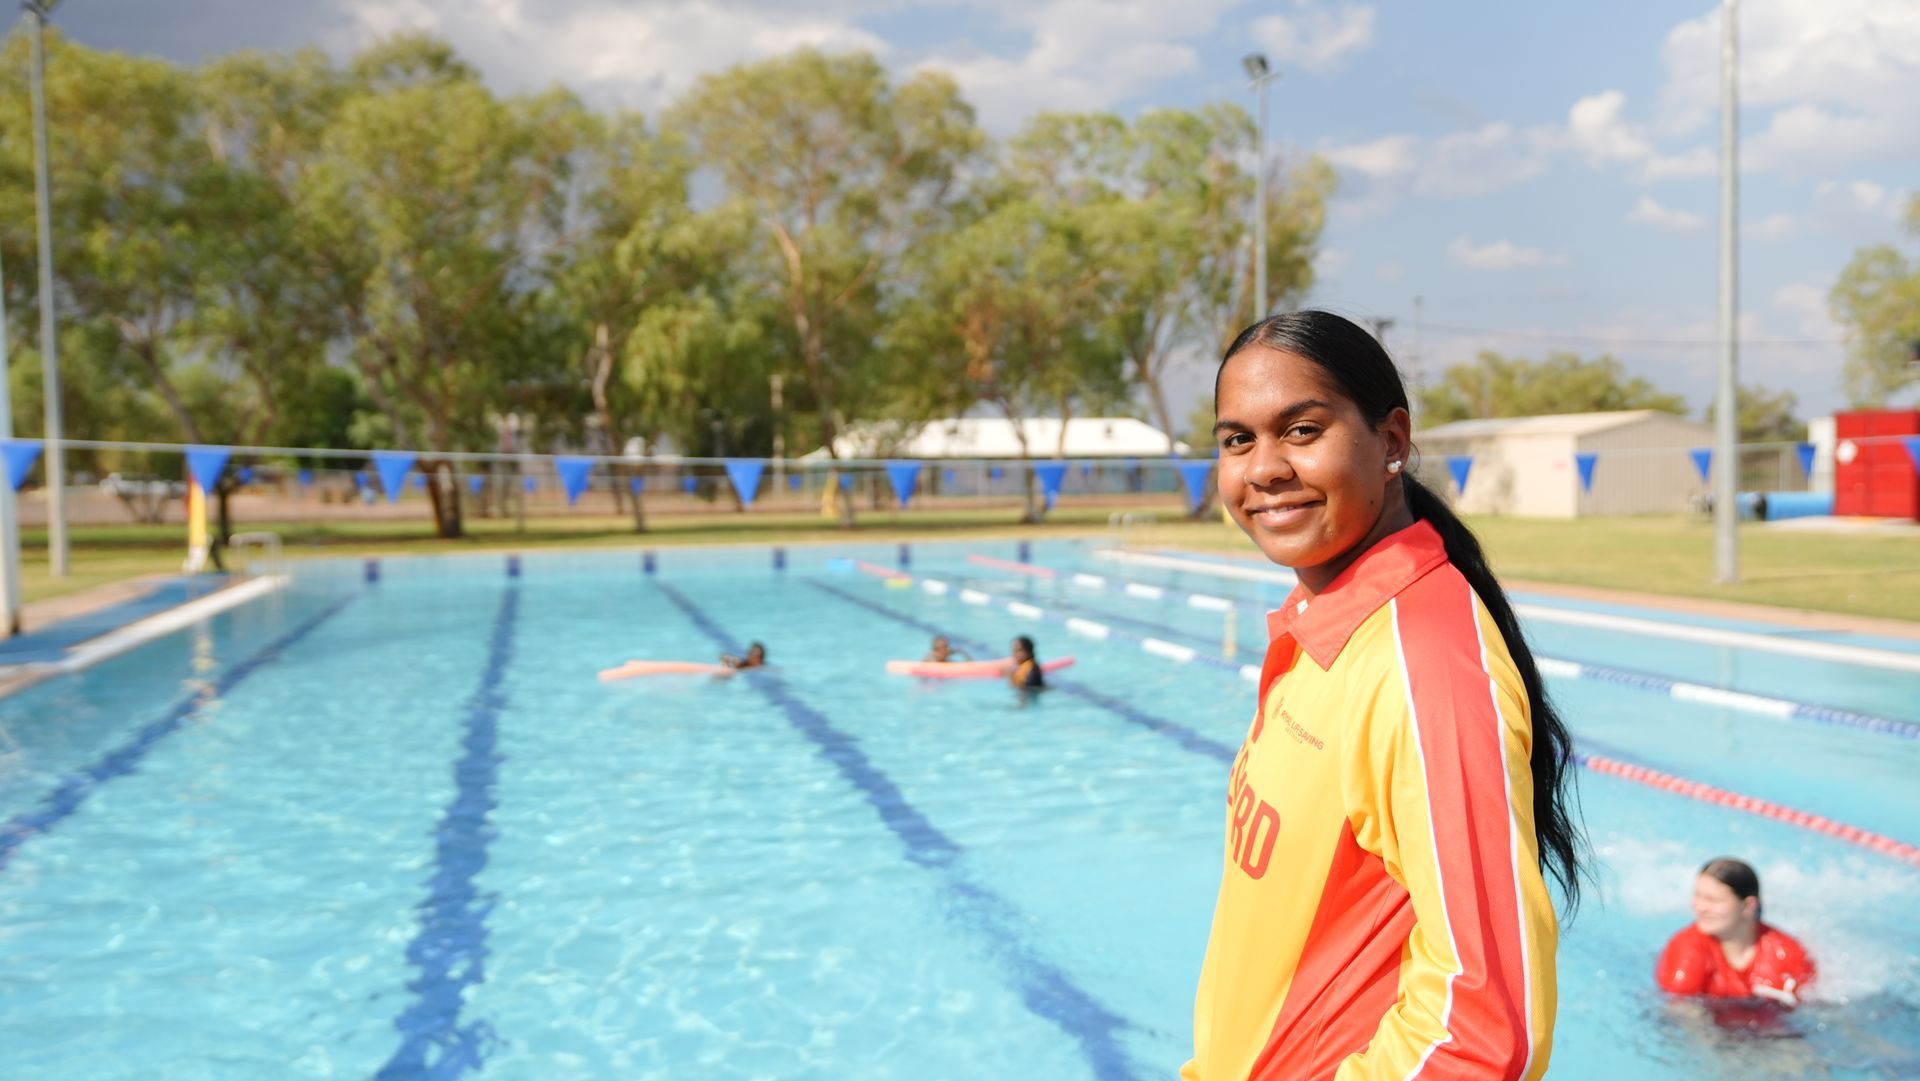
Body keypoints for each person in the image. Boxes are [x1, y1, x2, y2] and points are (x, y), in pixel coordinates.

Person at [1183, 311, 1580, 1081]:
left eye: (1301, 430)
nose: (1263, 468)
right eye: (1238, 439)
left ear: (1392, 441)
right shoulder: (1322, 626)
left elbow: (1486, 1032)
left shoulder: (1422, 663)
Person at [1656, 857, 1815, 1006]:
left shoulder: (1786, 953)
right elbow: (1680, 1014)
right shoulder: (1687, 948)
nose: (1700, 907)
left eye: (1712, 900)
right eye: (1697, 896)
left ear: (1748, 906)